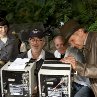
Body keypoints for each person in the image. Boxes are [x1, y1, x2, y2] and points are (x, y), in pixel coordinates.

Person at [60, 19, 95, 97]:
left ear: (80, 31)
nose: (72, 45)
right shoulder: (86, 45)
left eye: (72, 40)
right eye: (70, 43)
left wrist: (77, 65)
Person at [17, 28, 55, 96]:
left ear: (44, 42)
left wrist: (41, 86)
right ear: (29, 41)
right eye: (33, 39)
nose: (35, 43)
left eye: (38, 40)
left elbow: (54, 78)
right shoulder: (20, 58)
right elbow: (16, 78)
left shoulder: (51, 57)